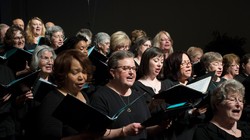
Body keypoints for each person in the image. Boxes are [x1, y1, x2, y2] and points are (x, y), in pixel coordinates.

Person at [91, 50, 166, 140]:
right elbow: (95, 135)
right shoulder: (100, 97)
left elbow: (144, 130)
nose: (131, 72)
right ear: (112, 72)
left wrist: (160, 127)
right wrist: (124, 131)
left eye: (134, 68)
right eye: (126, 68)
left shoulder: (139, 96)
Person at [25, 49, 96, 140]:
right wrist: (84, 137)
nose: (81, 77)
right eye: (75, 72)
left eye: (84, 72)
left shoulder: (83, 95)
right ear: (63, 73)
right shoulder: (52, 101)